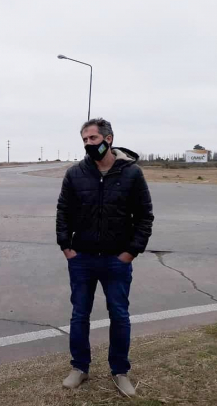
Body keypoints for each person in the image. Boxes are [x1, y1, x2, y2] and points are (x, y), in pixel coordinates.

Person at [56, 118, 154, 397]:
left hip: (116, 260)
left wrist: (131, 251)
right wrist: (66, 247)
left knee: (120, 316)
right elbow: (63, 212)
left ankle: (120, 371)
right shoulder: (75, 173)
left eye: (93, 139)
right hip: (82, 258)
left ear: (108, 139)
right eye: (85, 140)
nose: (88, 144)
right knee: (79, 315)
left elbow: (145, 216)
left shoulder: (132, 173)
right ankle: (79, 367)